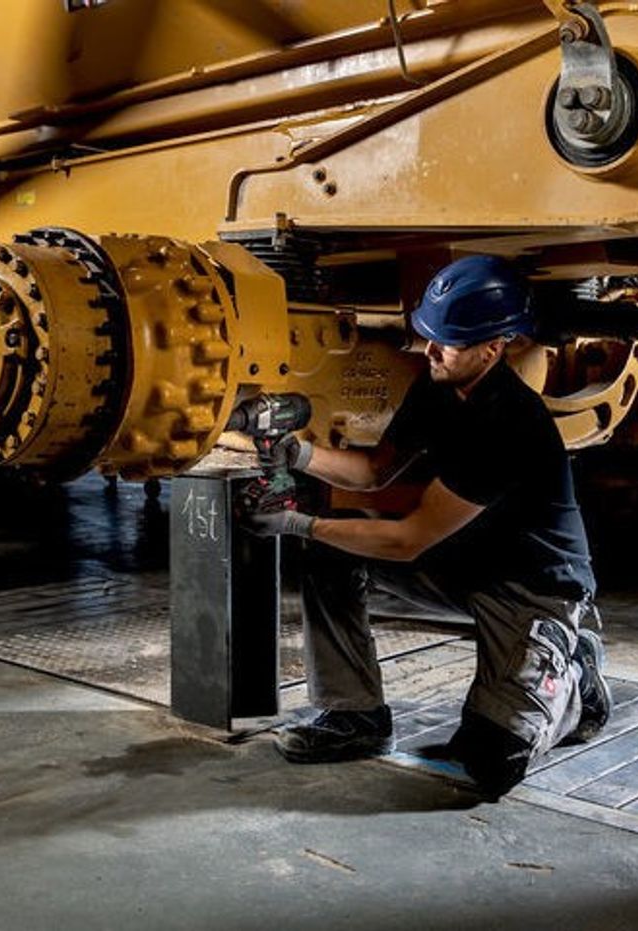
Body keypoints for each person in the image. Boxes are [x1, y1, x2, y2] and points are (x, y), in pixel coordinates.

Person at [246, 255, 611, 799]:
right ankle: (354, 716)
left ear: (493, 349)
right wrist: (296, 453)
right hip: (462, 561)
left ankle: (575, 675)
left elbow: (407, 539)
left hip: (531, 588)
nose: (431, 350)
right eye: (430, 335)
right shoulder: (436, 387)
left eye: (449, 342)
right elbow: (374, 472)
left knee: (492, 763)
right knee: (332, 553)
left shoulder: (509, 425)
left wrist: (296, 523)